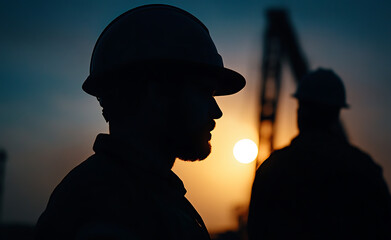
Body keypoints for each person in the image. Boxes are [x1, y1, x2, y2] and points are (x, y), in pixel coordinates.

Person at [35, 4, 245, 240]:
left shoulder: (142, 192)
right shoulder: (110, 205)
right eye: (204, 92)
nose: (216, 112)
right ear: (157, 94)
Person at [247, 69, 391, 240]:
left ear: (300, 112)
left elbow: (256, 230)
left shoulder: (272, 168)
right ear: (336, 113)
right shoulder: (364, 167)